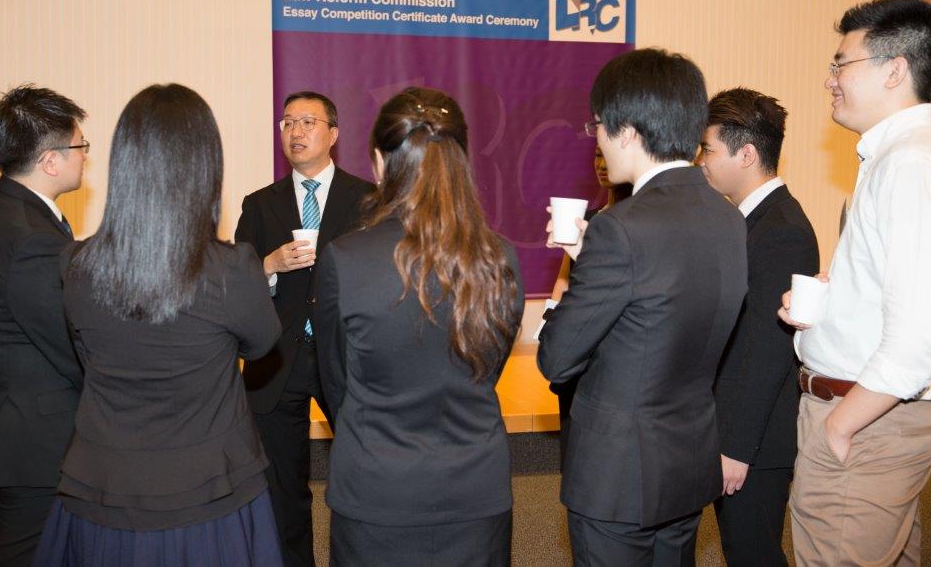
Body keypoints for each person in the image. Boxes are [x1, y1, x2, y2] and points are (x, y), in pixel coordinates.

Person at [32, 84, 283, 565]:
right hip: (211, 488)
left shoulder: (77, 265)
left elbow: (86, 357)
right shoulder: (232, 268)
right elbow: (263, 344)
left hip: (103, 483)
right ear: (204, 168)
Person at [537, 48, 748, 565]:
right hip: (687, 458)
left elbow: (556, 359)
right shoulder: (728, 217)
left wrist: (587, 268)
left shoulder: (621, 227)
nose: (599, 141)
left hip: (617, 475)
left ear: (627, 130)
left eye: (599, 127)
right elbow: (659, 312)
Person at [313, 87, 525, 566]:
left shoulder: (344, 261)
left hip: (375, 489)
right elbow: (486, 369)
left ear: (379, 164)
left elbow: (335, 385)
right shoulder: (500, 257)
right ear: (461, 162)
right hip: (475, 487)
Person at [778, 0, 931, 565]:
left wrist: (840, 427)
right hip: (876, 420)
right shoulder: (894, 156)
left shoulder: (908, 162)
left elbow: (919, 336)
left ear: (895, 69)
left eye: (841, 64)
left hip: (866, 423)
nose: (829, 80)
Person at [234, 91, 372, 566]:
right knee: (282, 490)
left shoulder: (370, 200)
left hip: (349, 357)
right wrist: (268, 265)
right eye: (287, 123)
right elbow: (236, 283)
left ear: (333, 134)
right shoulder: (259, 205)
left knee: (363, 478)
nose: (295, 131)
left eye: (307, 122)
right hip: (277, 360)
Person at [0, 85, 87, 565]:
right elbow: (69, 343)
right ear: (51, 161)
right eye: (79, 146)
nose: (85, 156)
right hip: (32, 438)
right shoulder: (31, 237)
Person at [696, 88, 819, 566]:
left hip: (755, 441)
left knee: (754, 554)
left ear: (746, 154)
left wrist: (735, 447)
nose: (700, 160)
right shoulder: (749, 220)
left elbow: (767, 351)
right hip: (735, 428)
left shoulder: (781, 228)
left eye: (708, 148)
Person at [541, 144, 632, 461]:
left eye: (608, 156)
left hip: (607, 352)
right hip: (574, 343)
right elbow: (565, 279)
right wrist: (548, 328)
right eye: (596, 155)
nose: (602, 164)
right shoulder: (588, 218)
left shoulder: (629, 224)